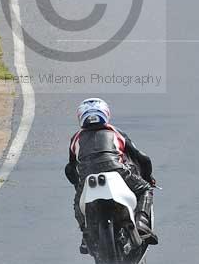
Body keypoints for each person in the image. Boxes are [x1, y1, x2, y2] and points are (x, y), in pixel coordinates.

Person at [65, 98, 158, 254]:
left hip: (88, 176)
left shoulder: (76, 138)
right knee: (145, 189)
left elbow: (70, 168)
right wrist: (148, 178)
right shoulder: (115, 132)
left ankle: (86, 235)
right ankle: (141, 222)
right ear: (105, 114)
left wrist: (78, 186)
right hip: (117, 171)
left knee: (77, 203)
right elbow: (142, 158)